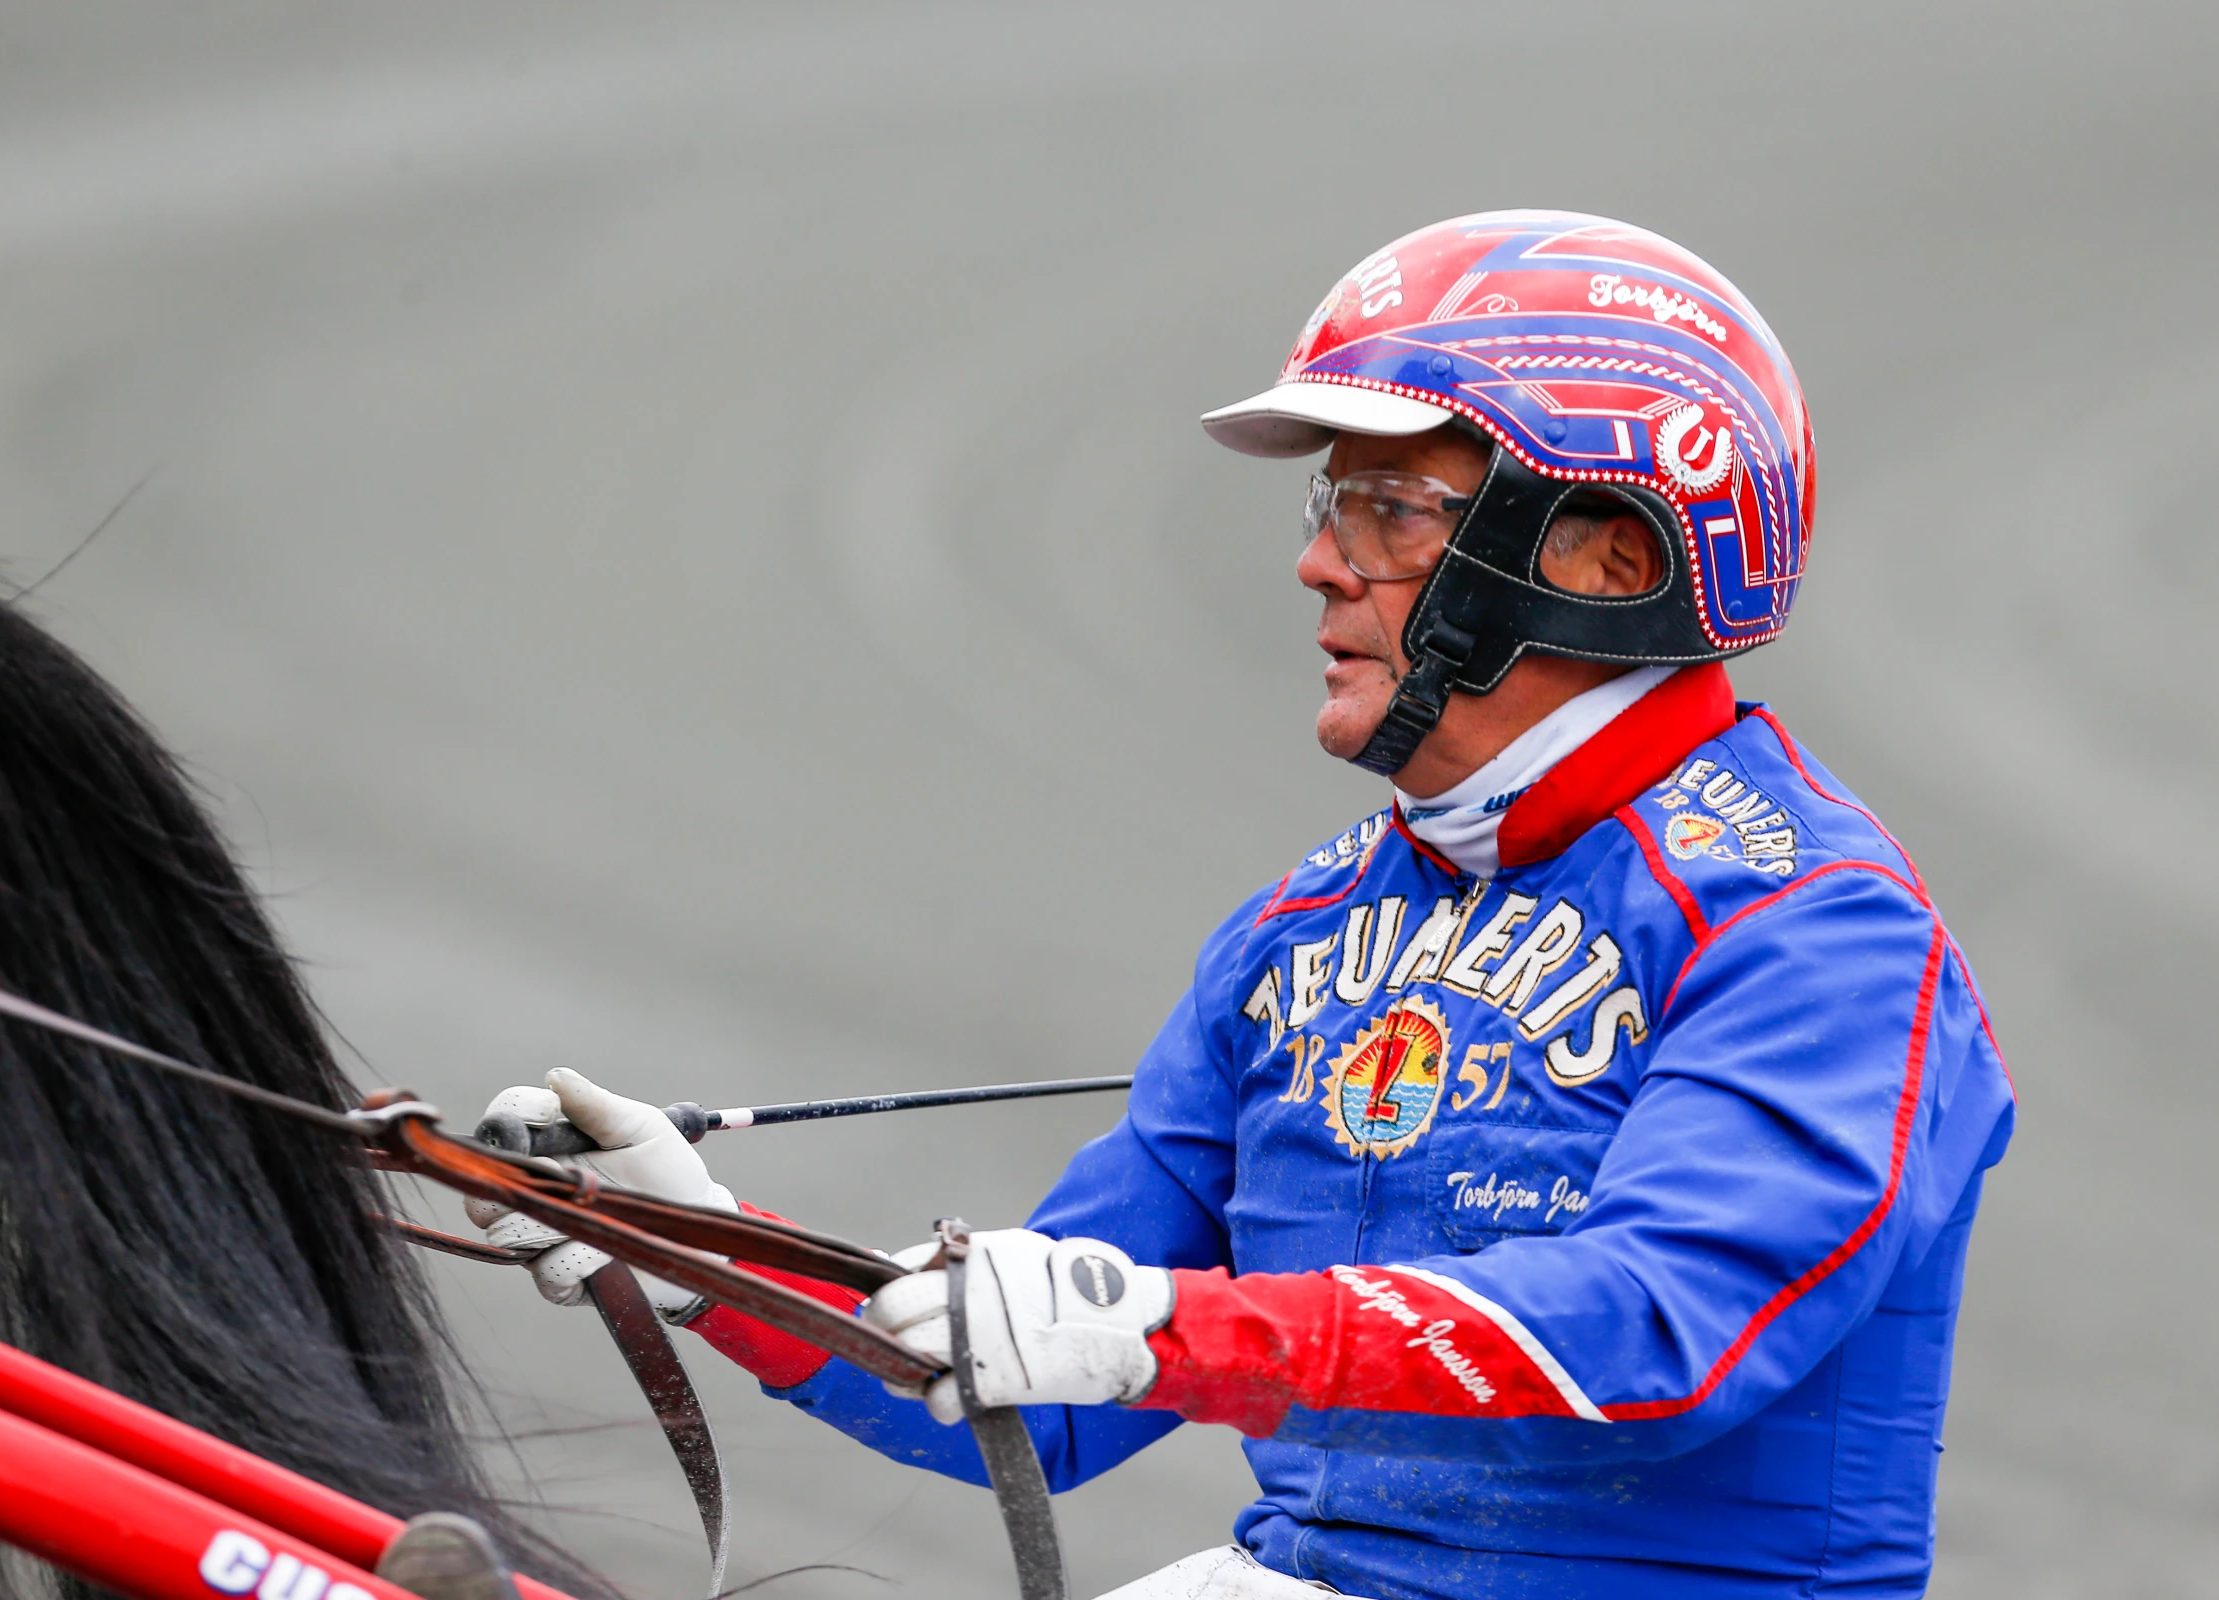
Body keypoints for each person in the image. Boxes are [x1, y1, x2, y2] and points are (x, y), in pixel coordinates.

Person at [476, 212, 2016, 1600]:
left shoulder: (1819, 928)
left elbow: (1669, 1329)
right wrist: (695, 1247)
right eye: (1328, 507)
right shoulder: (1302, 929)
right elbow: (1042, 1401)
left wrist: (1162, 1327)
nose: (1317, 567)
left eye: (1392, 511)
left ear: (1608, 556)